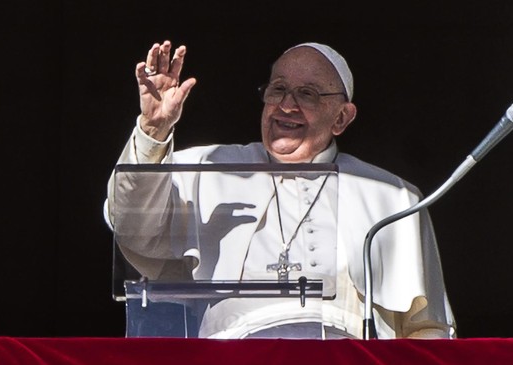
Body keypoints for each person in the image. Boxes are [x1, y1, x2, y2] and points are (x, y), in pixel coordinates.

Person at [104, 40, 456, 339]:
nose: (287, 104)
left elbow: (426, 329)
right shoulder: (210, 169)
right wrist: (153, 129)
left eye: (308, 93)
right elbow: (133, 226)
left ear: (341, 118)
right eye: (278, 89)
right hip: (229, 362)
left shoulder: (390, 196)